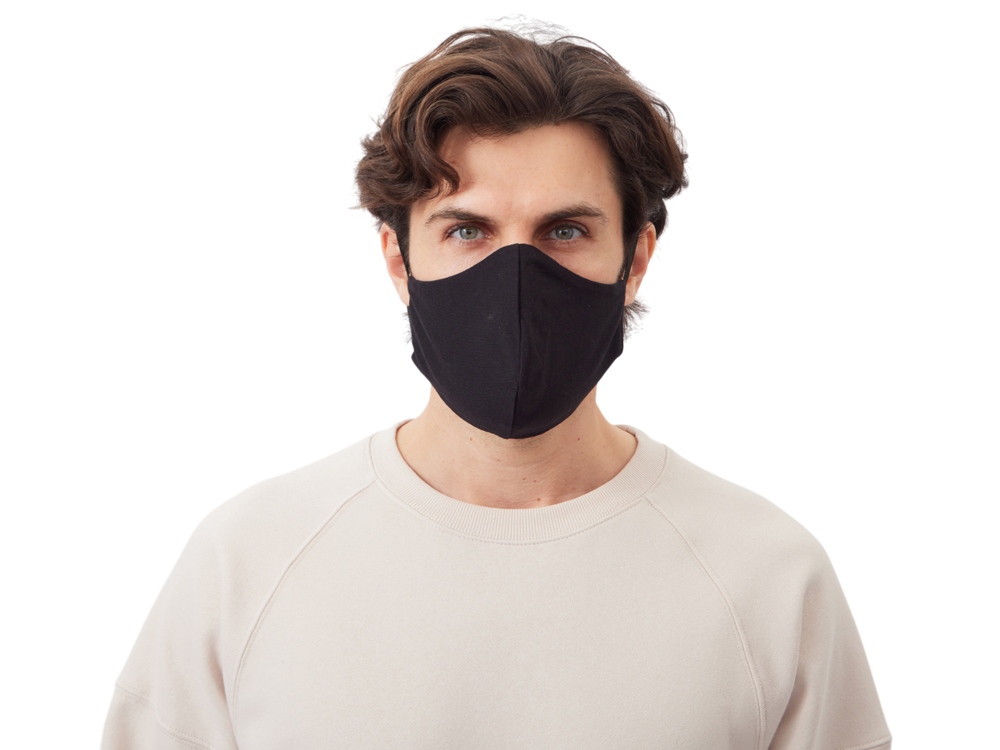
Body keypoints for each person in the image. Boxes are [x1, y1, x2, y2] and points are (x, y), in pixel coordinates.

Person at [101, 26, 891, 750]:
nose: (515, 278)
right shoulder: (247, 562)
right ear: (398, 259)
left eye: (565, 231)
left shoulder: (768, 578)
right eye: (467, 230)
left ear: (636, 259)